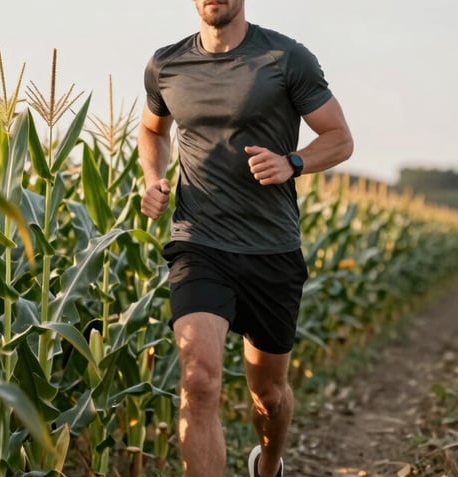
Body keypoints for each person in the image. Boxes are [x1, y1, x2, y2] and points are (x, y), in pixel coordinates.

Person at [137, 1, 353, 476]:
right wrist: (152, 178)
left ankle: (270, 464)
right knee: (198, 381)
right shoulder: (167, 64)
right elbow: (153, 130)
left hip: (270, 248)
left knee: (269, 395)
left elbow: (340, 138)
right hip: (199, 242)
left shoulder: (284, 58)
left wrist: (292, 162)